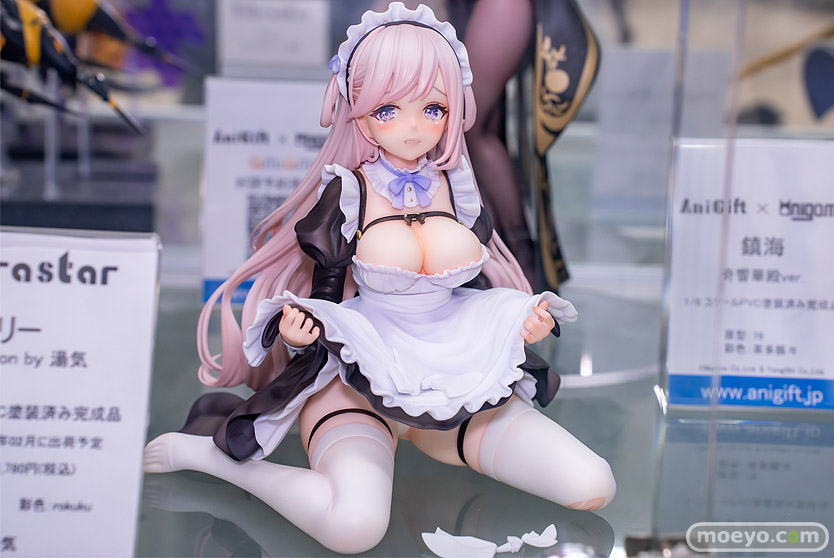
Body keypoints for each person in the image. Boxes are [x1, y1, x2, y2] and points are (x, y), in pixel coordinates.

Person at [143, 3, 615, 554]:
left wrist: (522, 323)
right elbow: (324, 291)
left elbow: (476, 282)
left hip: (455, 377)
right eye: (389, 109)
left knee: (592, 485)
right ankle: (214, 460)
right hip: (358, 382)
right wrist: (300, 331)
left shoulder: (457, 186)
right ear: (358, 110)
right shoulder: (350, 191)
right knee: (353, 527)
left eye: (433, 107)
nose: (413, 127)